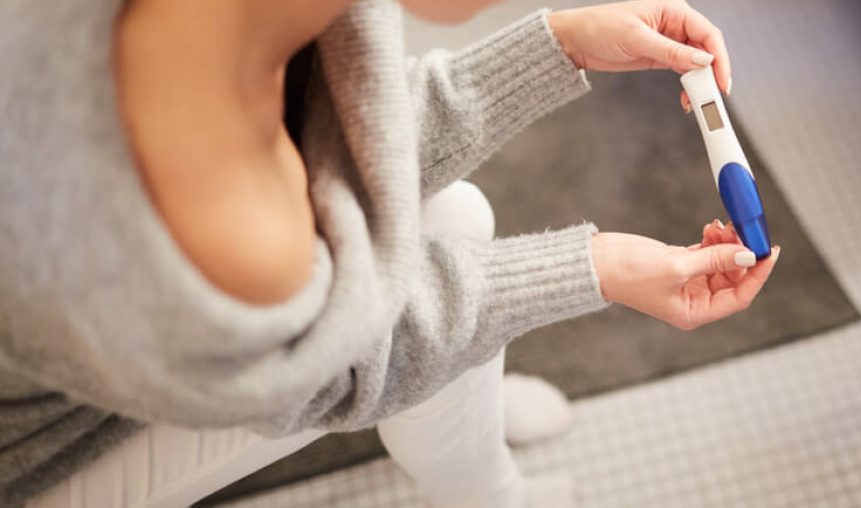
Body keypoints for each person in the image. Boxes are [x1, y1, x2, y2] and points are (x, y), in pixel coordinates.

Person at [0, 0, 779, 506]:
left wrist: (561, 45)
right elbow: (347, 368)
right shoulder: (195, 227)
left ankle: (469, 406)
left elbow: (343, 134)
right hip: (40, 451)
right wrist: (595, 268)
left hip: (155, 336)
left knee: (456, 220)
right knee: (451, 256)